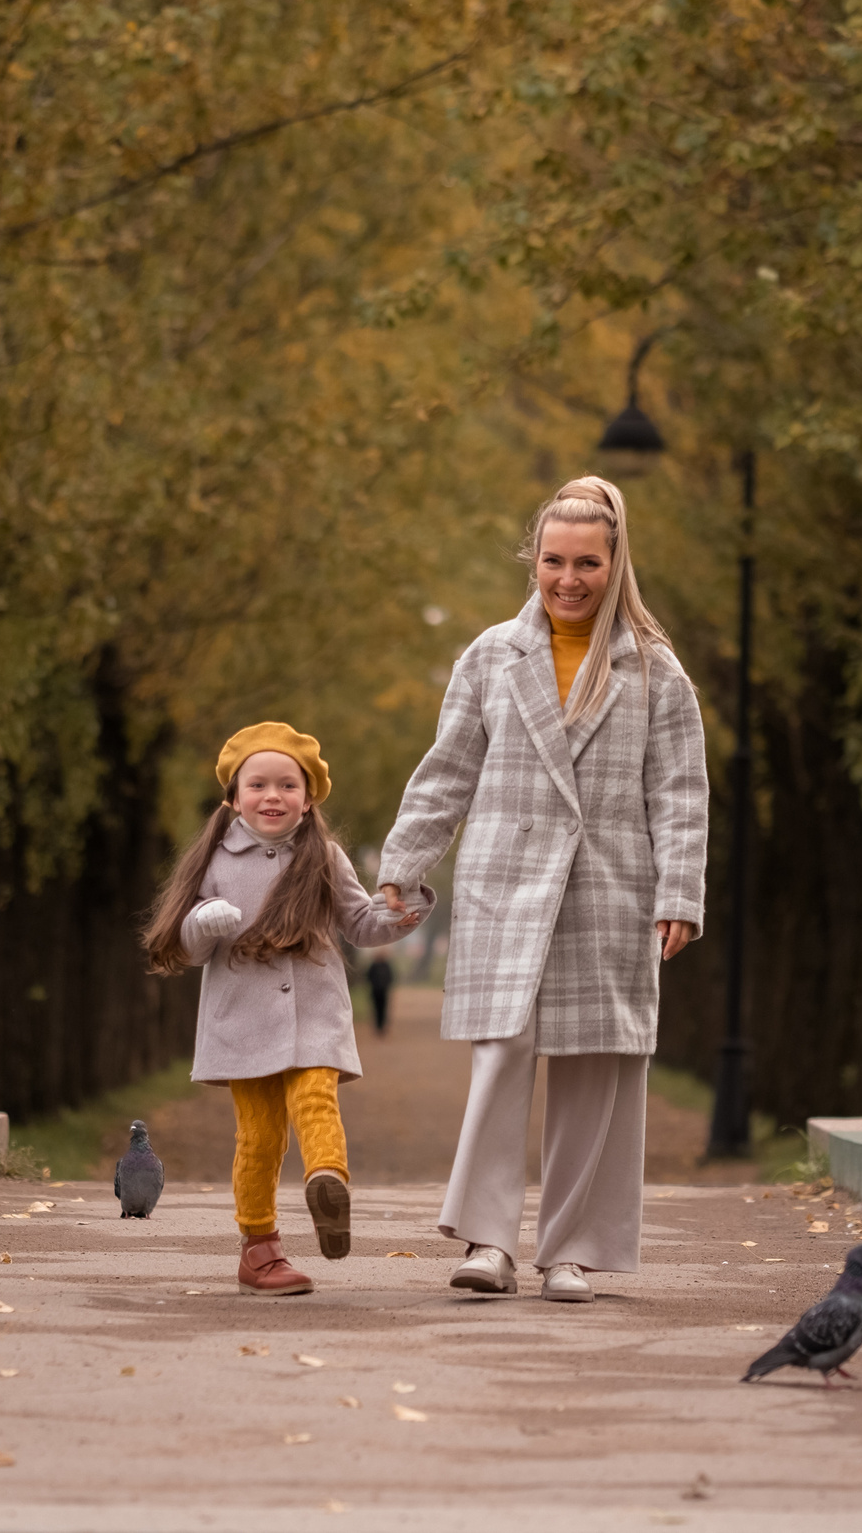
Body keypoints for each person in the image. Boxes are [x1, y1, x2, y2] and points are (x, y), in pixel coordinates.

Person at [377, 476, 708, 1303]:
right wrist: (403, 861)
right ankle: (489, 1239)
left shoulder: (654, 670)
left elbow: (680, 790)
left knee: (598, 1065)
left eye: (588, 561)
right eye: (554, 560)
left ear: (615, 561)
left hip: (610, 884)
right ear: (534, 562)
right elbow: (448, 768)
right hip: (506, 880)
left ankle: (574, 1248)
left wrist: (681, 891)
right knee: (503, 1054)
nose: (569, 578)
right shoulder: (492, 653)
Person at [144, 723, 425, 1295]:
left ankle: (327, 1181)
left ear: (309, 796)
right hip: (242, 1024)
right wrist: (203, 921)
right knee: (261, 1137)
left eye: (287, 785)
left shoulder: (326, 856)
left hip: (315, 1016)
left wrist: (402, 907)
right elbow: (188, 948)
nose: (273, 796)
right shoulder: (215, 862)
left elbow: (361, 924)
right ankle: (259, 1248)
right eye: (258, 785)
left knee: (316, 1097)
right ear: (233, 798)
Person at [366, 954, 395, 1036]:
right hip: (375, 990)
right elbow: (368, 977)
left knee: (383, 1009)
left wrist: (386, 985)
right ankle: (378, 1026)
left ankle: (382, 1026)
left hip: (384, 991)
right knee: (376, 1009)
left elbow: (390, 977)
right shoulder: (373, 966)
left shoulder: (386, 966)